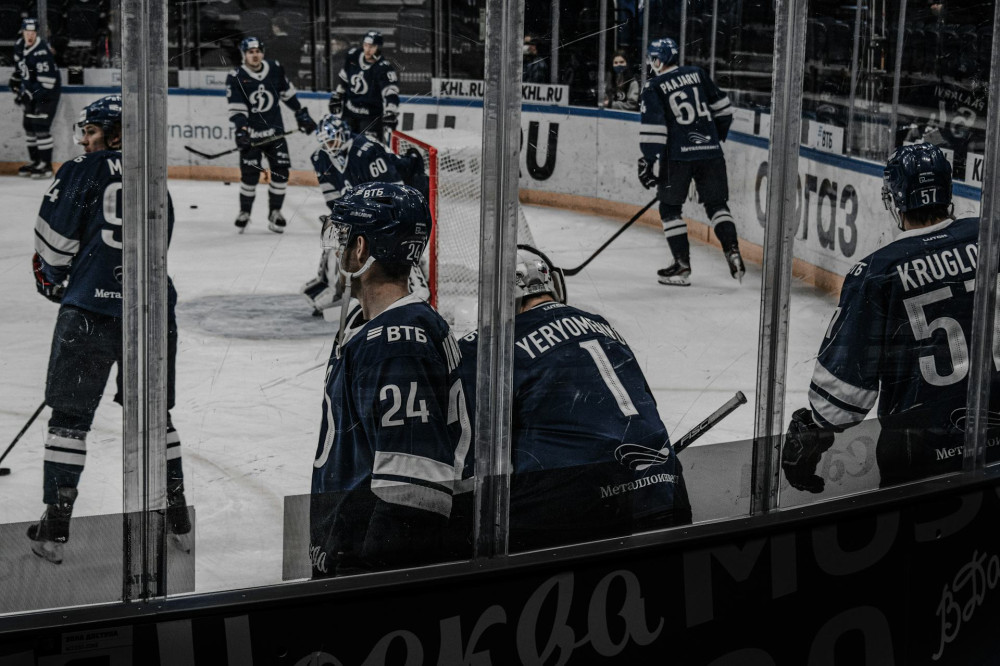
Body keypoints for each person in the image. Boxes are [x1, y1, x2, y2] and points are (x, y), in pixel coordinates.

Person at [28, 95, 191, 564]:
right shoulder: (154, 177)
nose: (84, 140)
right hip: (152, 312)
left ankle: (54, 529)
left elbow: (53, 248)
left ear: (116, 132)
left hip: (89, 312)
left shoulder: (81, 170)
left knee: (69, 418)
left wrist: (55, 279)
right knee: (156, 417)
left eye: (92, 131)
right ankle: (178, 519)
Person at [782, 143, 1000, 492]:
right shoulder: (992, 237)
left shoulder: (877, 273)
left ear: (895, 200)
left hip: (920, 457)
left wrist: (812, 428)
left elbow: (839, 404)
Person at [456, 248, 692, 551]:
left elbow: (469, 455)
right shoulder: (604, 326)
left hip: (576, 510)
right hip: (666, 492)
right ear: (554, 284)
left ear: (498, 298)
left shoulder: (491, 345)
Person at [309, 183, 468, 578]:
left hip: (364, 569)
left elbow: (412, 496)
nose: (336, 250)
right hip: (347, 544)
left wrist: (369, 581)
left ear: (361, 249)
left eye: (343, 238)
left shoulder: (398, 344)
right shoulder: (372, 323)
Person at [637, 37, 744, 287]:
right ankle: (732, 251)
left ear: (659, 60)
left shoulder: (654, 86)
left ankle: (682, 266)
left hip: (677, 157)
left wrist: (647, 161)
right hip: (711, 153)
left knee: (670, 209)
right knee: (717, 205)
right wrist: (713, 138)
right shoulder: (698, 73)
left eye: (652, 59)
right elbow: (724, 111)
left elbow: (654, 130)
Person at [301, 114, 430, 316]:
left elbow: (395, 193)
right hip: (372, 204)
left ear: (343, 134)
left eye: (332, 140)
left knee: (394, 240)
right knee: (339, 236)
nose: (330, 146)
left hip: (409, 193)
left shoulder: (367, 150)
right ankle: (330, 286)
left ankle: (418, 288)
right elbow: (333, 198)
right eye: (325, 142)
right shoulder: (321, 158)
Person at [226, 35, 317, 233]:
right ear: (244, 55)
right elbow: (237, 109)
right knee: (249, 176)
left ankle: (275, 212)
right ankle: (245, 212)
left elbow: (287, 94)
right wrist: (241, 131)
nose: (255, 55)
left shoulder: (275, 69)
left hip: (275, 135)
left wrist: (300, 113)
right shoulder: (236, 76)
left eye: (258, 51)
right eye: (251, 52)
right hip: (252, 137)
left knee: (281, 173)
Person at [10, 17, 62, 179]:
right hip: (33, 92)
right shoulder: (19, 46)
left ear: (36, 33)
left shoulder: (42, 52)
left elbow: (47, 82)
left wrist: (30, 96)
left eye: (33, 32)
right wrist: (16, 81)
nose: (30, 35)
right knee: (29, 126)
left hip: (48, 94)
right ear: (22, 32)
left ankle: (46, 166)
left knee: (40, 126)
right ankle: (36, 162)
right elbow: (20, 68)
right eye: (27, 32)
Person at [328, 30, 400, 146]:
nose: (367, 49)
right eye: (365, 45)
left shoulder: (384, 68)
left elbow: (390, 92)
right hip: (349, 114)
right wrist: (337, 96)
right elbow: (344, 80)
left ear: (379, 47)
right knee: (343, 147)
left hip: (370, 118)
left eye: (371, 46)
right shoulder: (353, 57)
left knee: (368, 149)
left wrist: (390, 111)